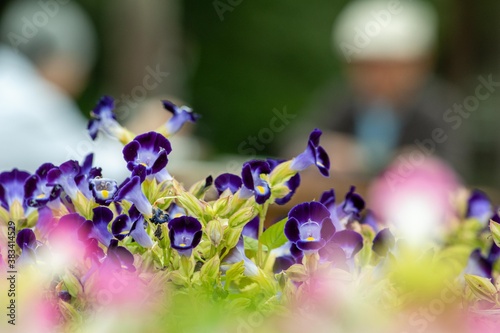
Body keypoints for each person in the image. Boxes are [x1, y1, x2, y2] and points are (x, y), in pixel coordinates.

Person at [0, 0, 128, 180]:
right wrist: (141, 141)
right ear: (52, 56)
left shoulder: (11, 81)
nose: (80, 85)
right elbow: (96, 172)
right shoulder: (31, 98)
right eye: (79, 68)